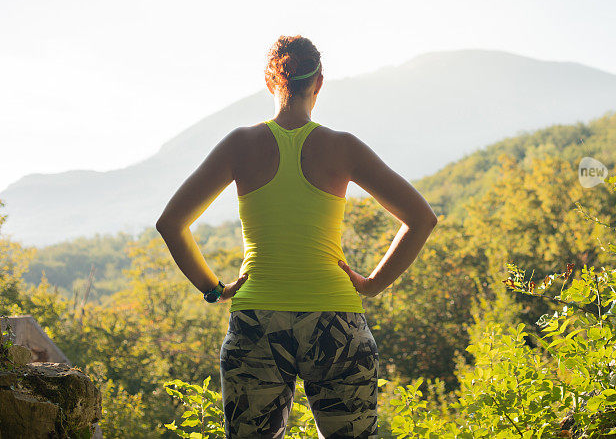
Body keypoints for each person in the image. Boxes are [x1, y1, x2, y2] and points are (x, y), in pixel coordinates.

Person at [155, 34, 438, 438]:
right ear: (318, 82)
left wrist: (215, 289)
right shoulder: (343, 147)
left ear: (270, 81)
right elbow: (421, 218)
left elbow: (172, 223)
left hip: (256, 324)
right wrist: (373, 284)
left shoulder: (240, 144)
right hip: (336, 322)